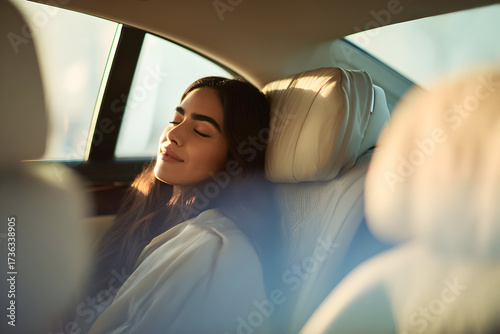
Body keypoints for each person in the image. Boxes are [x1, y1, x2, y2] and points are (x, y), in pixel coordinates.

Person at [78, 77, 281, 333]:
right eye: (175, 120)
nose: (173, 134)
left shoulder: (214, 250)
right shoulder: (156, 212)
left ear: (235, 158)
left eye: (201, 131)